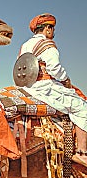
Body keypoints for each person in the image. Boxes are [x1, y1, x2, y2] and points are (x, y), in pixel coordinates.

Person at [19, 13, 87, 167]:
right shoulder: (47, 44)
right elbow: (54, 68)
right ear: (48, 29)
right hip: (45, 89)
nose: (53, 32)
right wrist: (66, 80)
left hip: (28, 88)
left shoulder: (25, 45)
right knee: (82, 108)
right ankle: (82, 152)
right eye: (52, 28)